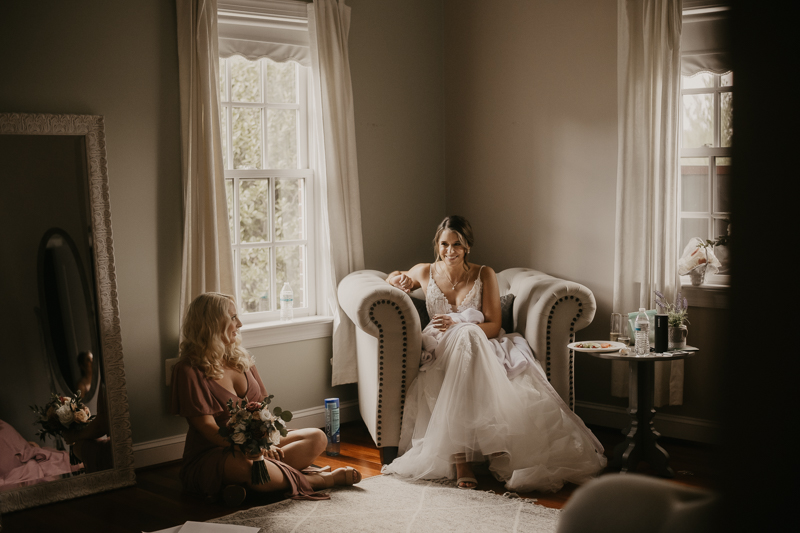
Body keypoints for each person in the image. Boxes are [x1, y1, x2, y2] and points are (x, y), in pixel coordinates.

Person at [381, 216, 607, 491]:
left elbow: (493, 324)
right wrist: (397, 279)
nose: (450, 251)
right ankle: (479, 453)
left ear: (467, 247)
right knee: (462, 343)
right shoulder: (425, 271)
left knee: (467, 335)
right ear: (437, 245)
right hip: (439, 345)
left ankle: (466, 457)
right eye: (444, 244)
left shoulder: (483, 273)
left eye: (457, 245)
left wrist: (460, 323)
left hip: (480, 340)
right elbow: (392, 277)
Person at [171, 292, 361, 505]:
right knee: (251, 467)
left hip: (258, 445)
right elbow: (207, 427)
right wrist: (250, 448)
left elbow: (262, 410)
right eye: (233, 317)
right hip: (216, 452)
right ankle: (318, 480)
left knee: (317, 438)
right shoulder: (188, 369)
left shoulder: (242, 360)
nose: (239, 323)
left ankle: (249, 484)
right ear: (212, 323)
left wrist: (265, 442)